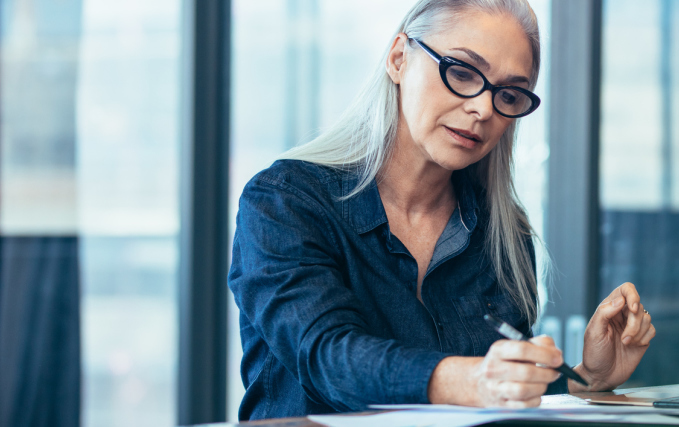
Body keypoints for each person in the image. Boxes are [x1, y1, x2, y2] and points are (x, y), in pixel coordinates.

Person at [228, 0, 655, 420]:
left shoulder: (502, 235)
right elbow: (326, 357)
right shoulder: (286, 201)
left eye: (508, 93)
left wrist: (586, 377)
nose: (483, 109)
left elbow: (499, 394)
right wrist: (470, 381)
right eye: (463, 72)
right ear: (399, 59)